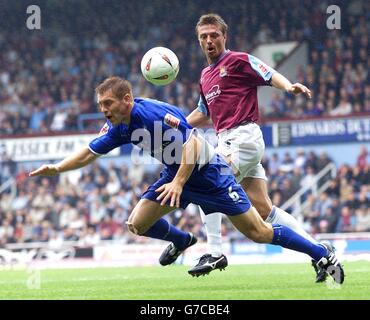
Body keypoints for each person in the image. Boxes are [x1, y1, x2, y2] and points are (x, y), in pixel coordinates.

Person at [29, 76, 344, 284]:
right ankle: (182, 240)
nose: (103, 111)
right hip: (176, 173)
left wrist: (179, 183)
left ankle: (320, 253)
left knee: (259, 232)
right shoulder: (120, 127)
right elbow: (87, 153)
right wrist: (57, 169)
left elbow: (193, 142)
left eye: (107, 104)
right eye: (100, 106)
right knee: (137, 223)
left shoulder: (150, 115)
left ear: (126, 99)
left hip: (209, 172)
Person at [182, 13, 328, 282]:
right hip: (228, 140)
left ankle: (214, 251)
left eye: (214, 34)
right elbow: (204, 112)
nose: (209, 40)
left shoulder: (237, 60)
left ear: (224, 36)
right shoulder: (205, 75)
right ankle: (320, 251)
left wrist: (289, 87)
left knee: (206, 180)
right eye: (204, 36)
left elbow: (268, 73)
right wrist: (175, 123)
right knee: (264, 211)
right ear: (199, 41)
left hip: (243, 137)